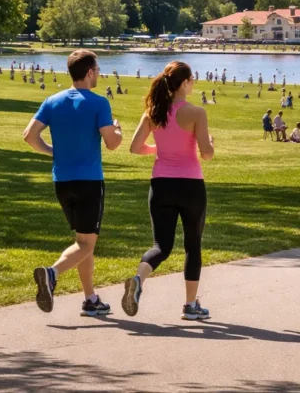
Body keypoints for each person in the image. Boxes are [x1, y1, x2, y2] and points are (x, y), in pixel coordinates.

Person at [24, 49, 123, 317]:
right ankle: (51, 274)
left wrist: (52, 151)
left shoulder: (52, 101)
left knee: (82, 240)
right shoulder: (98, 103)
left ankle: (90, 299)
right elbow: (112, 144)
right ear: (89, 72)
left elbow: (30, 136)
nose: (99, 73)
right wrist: (118, 130)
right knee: (86, 244)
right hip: (89, 181)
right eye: (98, 69)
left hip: (62, 181)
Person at [123, 61, 214, 321]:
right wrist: (210, 146)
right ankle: (190, 306)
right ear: (184, 83)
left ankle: (138, 279)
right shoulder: (196, 113)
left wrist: (161, 150)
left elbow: (135, 147)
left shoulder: (152, 112)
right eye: (192, 80)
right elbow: (206, 154)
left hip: (160, 184)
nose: (193, 84)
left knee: (161, 246)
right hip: (190, 185)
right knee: (192, 246)